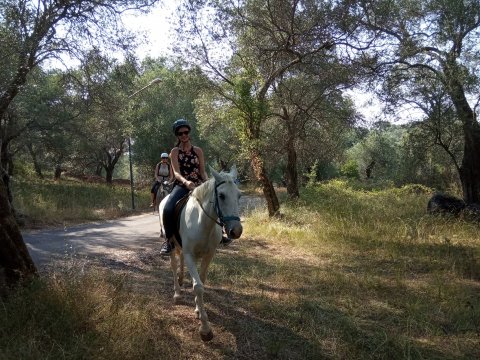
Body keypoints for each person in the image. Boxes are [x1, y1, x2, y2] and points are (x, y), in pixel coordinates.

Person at [160, 119, 208, 255]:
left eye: (186, 132)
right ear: (177, 135)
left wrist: (207, 181)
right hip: (182, 185)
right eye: (180, 133)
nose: (184, 135)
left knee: (214, 201)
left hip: (198, 184)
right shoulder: (174, 151)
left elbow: (202, 171)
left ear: (189, 132)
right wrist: (186, 182)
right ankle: (169, 240)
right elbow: (176, 172)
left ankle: (220, 234)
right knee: (168, 208)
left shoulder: (198, 151)